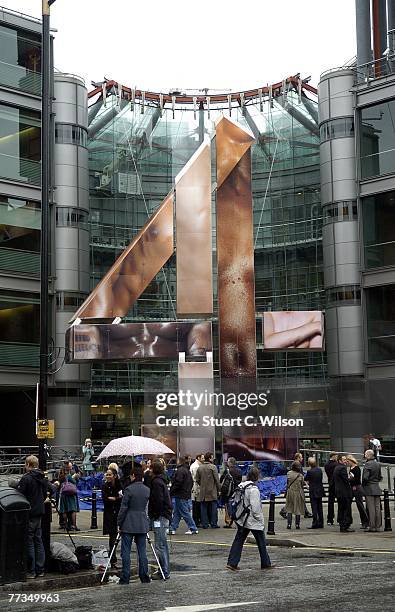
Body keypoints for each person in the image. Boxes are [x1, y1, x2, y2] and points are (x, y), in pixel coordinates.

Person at [227, 467, 272, 571]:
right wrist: (260, 520)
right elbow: (255, 508)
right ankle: (266, 563)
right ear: (257, 476)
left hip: (242, 519)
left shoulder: (241, 486)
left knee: (238, 541)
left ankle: (232, 562)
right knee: (261, 542)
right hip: (252, 520)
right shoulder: (254, 489)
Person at [117, 466, 151, 585]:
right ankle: (144, 575)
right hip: (142, 522)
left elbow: (123, 508)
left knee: (125, 551)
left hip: (128, 522)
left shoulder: (129, 489)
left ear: (133, 476)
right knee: (142, 551)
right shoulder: (147, 490)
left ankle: (125, 577)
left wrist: (119, 523)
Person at [17, 455, 47, 578]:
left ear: (28, 465)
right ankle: (40, 569)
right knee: (38, 540)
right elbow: (45, 493)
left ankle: (31, 570)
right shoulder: (41, 477)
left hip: (29, 513)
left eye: (25, 464)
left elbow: (20, 494)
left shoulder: (27, 478)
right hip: (39, 512)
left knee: (29, 541)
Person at [148, 460, 172, 580]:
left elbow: (158, 500)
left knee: (160, 545)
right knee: (163, 544)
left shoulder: (156, 482)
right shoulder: (162, 480)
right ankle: (164, 568)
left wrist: (154, 515)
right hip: (164, 515)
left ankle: (164, 570)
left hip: (160, 516)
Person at [169, 456, 198, 535]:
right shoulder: (186, 470)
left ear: (179, 461)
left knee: (184, 512)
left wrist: (171, 491)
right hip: (185, 493)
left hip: (180, 494)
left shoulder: (180, 471)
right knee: (177, 512)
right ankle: (172, 528)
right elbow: (191, 482)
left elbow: (178, 482)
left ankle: (193, 528)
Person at [102, 468, 122, 568]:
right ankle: (112, 559)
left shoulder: (119, 485)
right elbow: (105, 499)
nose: (108, 476)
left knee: (118, 536)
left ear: (114, 475)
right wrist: (114, 498)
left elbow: (121, 498)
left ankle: (115, 558)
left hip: (118, 513)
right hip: (109, 514)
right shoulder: (105, 486)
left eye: (110, 475)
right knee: (112, 537)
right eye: (107, 474)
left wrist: (115, 498)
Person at [196, 452, 221, 529]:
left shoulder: (200, 468)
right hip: (212, 491)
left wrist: (202, 485)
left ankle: (205, 524)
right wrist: (219, 489)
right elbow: (217, 480)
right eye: (212, 457)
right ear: (210, 458)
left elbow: (197, 479)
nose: (213, 459)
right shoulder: (213, 467)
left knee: (203, 508)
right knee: (213, 508)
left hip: (203, 491)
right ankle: (213, 524)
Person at [362, 449, 382, 532]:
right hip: (376, 487)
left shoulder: (367, 464)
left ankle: (372, 526)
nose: (364, 455)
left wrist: (363, 485)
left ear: (368, 455)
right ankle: (378, 525)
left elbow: (365, 478)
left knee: (371, 508)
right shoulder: (378, 464)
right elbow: (380, 476)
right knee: (377, 507)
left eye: (365, 454)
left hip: (369, 488)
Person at [347, 455, 369, 529]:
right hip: (352, 487)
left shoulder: (356, 468)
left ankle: (365, 522)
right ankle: (348, 520)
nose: (347, 463)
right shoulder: (351, 468)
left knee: (360, 504)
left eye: (348, 461)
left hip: (357, 487)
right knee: (348, 503)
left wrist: (349, 479)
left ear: (351, 461)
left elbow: (357, 479)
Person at [333, 455, 354, 533]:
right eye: (344, 460)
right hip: (344, 492)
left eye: (346, 459)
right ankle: (345, 526)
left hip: (339, 492)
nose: (345, 461)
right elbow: (346, 480)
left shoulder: (336, 468)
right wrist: (351, 478)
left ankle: (342, 525)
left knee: (341, 509)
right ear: (340, 461)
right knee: (346, 509)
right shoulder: (342, 468)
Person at [220, 458, 242, 528]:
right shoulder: (239, 470)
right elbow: (240, 480)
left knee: (227, 506)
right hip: (236, 491)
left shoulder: (227, 471)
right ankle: (237, 521)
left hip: (228, 492)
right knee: (236, 506)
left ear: (230, 463)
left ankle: (228, 522)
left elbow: (221, 480)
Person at [304, 457, 324, 529]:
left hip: (313, 490)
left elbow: (306, 479)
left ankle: (315, 523)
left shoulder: (309, 472)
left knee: (314, 508)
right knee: (320, 507)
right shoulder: (320, 470)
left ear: (309, 464)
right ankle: (321, 522)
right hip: (320, 489)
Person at [285, 461, 305, 529]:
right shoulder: (300, 475)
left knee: (289, 508)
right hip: (298, 492)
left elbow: (287, 483)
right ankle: (297, 525)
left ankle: (289, 524)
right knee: (298, 509)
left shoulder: (288, 473)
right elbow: (302, 485)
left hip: (290, 492)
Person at [190, 454, 204, 528]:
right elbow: (196, 478)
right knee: (196, 505)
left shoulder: (197, 465)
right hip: (196, 488)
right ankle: (196, 521)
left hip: (196, 487)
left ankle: (197, 520)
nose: (204, 459)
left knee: (197, 504)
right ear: (198, 458)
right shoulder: (196, 466)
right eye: (202, 458)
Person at [324, 453, 338, 525]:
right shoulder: (336, 464)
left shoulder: (326, 464)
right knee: (340, 502)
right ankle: (340, 519)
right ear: (334, 456)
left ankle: (330, 519)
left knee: (330, 502)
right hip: (337, 484)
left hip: (331, 484)